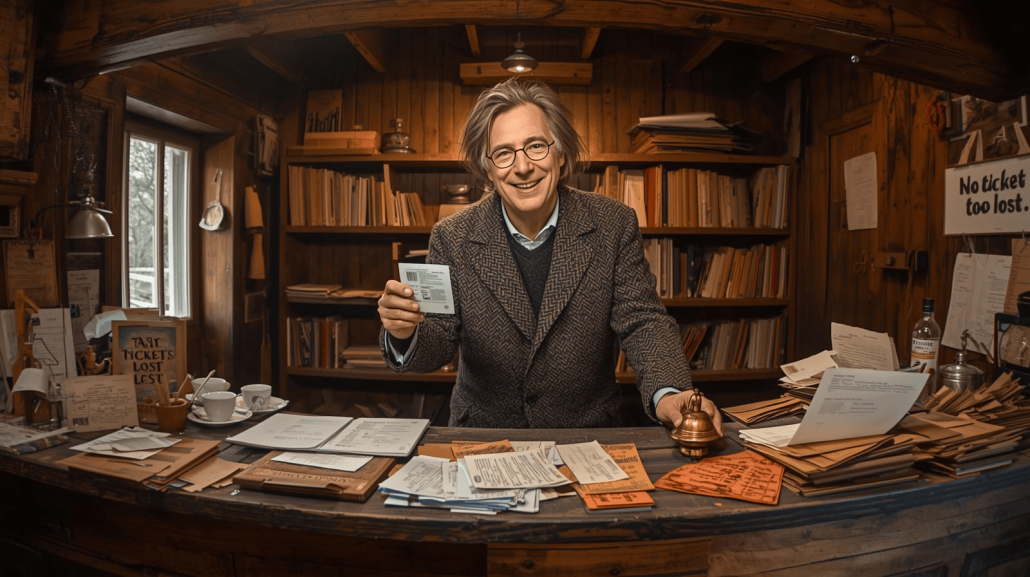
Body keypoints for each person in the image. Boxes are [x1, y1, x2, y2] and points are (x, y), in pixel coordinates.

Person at [378, 77, 722, 433]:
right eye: (504, 153)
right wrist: (405, 333)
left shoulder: (613, 224)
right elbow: (437, 341)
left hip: (586, 437)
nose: (523, 166)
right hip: (484, 437)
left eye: (536, 146)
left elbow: (642, 321)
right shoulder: (452, 236)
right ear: (489, 168)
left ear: (560, 152)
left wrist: (669, 393)